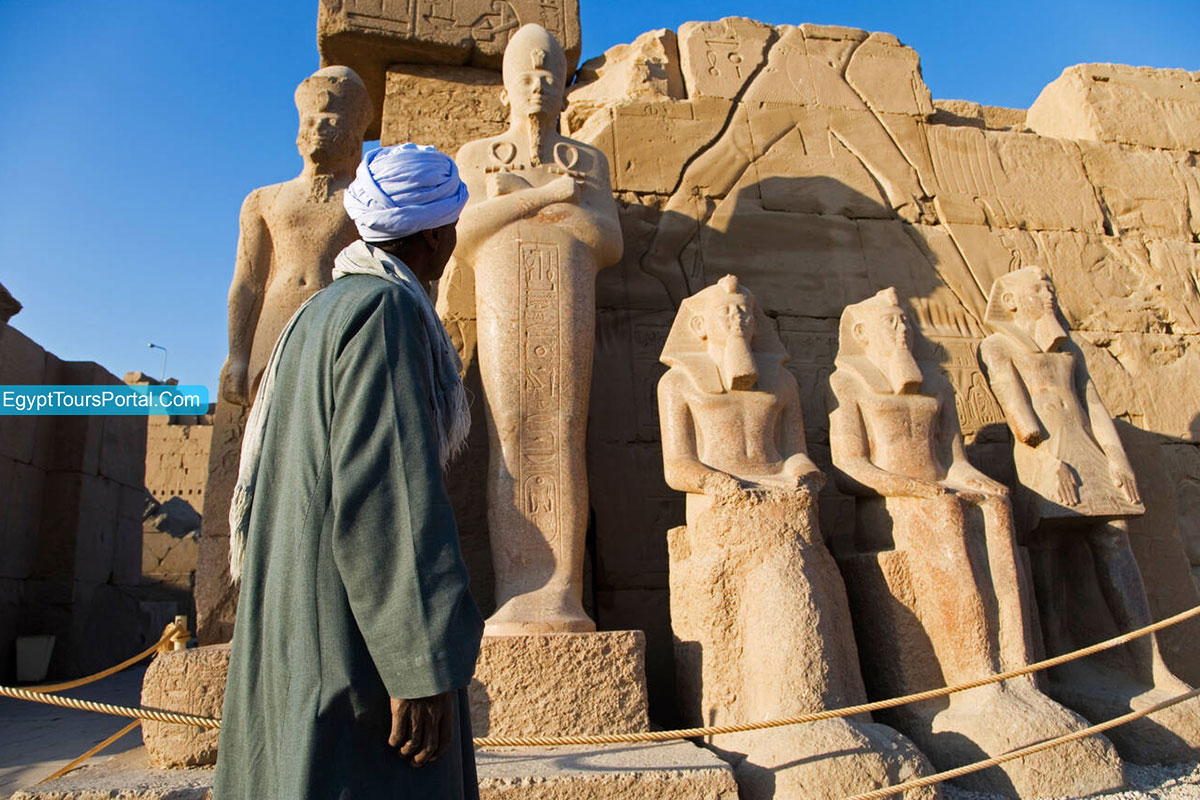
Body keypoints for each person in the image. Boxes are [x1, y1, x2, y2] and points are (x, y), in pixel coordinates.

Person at [213, 143, 484, 799]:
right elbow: (386, 493)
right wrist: (418, 663)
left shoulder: (317, 313)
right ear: (437, 237)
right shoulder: (383, 314)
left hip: (304, 626)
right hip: (351, 645)